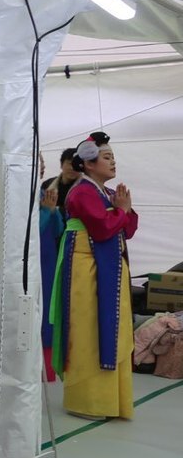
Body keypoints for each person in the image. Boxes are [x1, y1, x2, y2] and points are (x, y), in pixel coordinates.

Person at [51, 131, 138, 421]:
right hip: (86, 269)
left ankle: (109, 400)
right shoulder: (83, 191)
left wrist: (123, 209)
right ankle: (87, 401)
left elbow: (128, 228)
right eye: (106, 157)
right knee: (88, 328)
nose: (113, 161)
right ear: (88, 164)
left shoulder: (106, 193)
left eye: (113, 156)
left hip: (105, 267)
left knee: (107, 327)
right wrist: (121, 211)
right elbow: (102, 229)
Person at [38, 153, 66, 380]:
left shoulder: (41, 194)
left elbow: (57, 231)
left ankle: (47, 370)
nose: (41, 168)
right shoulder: (19, 196)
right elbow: (30, 236)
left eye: (43, 164)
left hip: (48, 261)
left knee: (48, 312)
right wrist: (47, 212)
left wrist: (54, 211)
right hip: (33, 264)